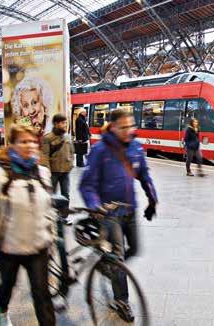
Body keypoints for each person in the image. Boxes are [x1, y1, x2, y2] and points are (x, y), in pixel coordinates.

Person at [79, 109, 158, 322]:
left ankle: (109, 265)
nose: (128, 131)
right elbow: (87, 185)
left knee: (135, 249)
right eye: (123, 127)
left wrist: (152, 199)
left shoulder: (135, 147)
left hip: (129, 209)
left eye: (131, 126)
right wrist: (96, 207)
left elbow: (144, 175)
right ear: (113, 127)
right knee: (118, 256)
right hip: (108, 213)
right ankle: (121, 300)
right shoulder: (100, 150)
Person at [0, 124, 56, 326]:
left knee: (42, 295)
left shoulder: (43, 173)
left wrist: (51, 242)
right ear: (11, 144)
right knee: (6, 287)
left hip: (38, 246)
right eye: (23, 141)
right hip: (7, 248)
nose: (29, 145)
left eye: (32, 141)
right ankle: (2, 312)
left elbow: (49, 210)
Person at [42, 113, 74, 222]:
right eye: (62, 123)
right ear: (55, 124)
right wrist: (47, 171)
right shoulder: (48, 138)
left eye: (65, 122)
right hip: (53, 171)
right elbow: (44, 156)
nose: (65, 125)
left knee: (66, 195)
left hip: (65, 171)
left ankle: (64, 216)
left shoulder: (67, 136)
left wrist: (71, 164)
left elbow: (71, 151)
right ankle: (50, 216)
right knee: (51, 195)